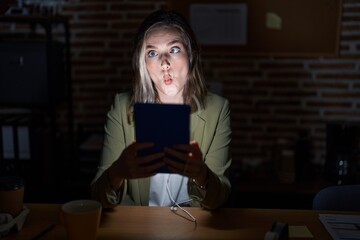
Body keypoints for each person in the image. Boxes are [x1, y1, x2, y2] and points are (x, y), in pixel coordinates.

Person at [91, 9, 232, 210]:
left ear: (191, 55)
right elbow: (97, 197)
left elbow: (221, 198)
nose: (164, 64)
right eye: (152, 53)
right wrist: (118, 171)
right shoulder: (122, 107)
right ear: (143, 64)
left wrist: (202, 175)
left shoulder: (217, 109)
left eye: (174, 49)